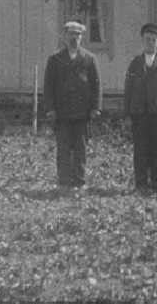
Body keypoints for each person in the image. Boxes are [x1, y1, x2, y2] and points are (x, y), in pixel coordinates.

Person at [42, 21, 101, 189]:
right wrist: (50, 109)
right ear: (65, 36)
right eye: (71, 35)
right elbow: (48, 86)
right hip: (62, 113)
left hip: (82, 113)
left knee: (81, 150)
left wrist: (96, 107)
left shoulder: (89, 59)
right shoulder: (55, 59)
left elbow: (96, 85)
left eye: (78, 35)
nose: (74, 38)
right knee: (63, 149)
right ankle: (64, 183)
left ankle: (80, 182)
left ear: (82, 37)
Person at [123, 23, 157, 194]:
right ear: (143, 40)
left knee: (156, 149)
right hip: (139, 114)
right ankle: (140, 184)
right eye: (147, 39)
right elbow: (128, 90)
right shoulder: (135, 63)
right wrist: (127, 115)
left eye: (153, 39)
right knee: (140, 150)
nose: (150, 42)